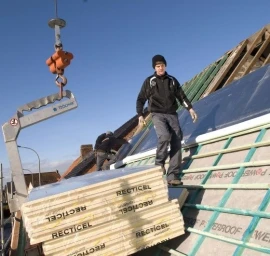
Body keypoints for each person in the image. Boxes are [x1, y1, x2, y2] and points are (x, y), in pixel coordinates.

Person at [136, 54, 198, 185]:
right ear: (154, 67)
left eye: (162, 65)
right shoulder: (150, 81)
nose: (160, 68)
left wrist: (190, 108)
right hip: (157, 114)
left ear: (165, 66)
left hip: (172, 113)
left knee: (176, 139)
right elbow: (141, 99)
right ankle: (159, 165)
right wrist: (140, 114)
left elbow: (181, 96)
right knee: (164, 136)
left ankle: (173, 176)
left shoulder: (172, 80)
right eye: (158, 66)